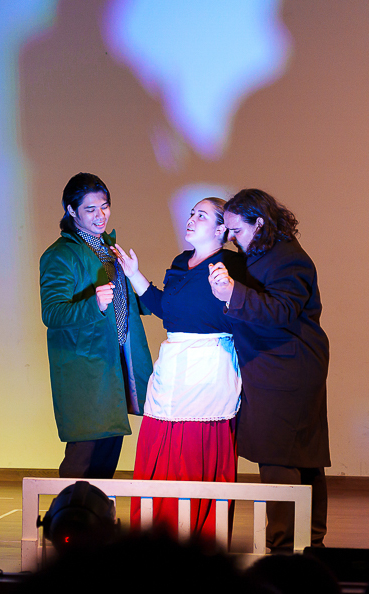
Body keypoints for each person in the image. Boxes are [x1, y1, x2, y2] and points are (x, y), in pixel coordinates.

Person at [112, 198, 245, 543]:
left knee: (194, 452)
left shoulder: (232, 264)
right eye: (191, 213)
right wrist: (133, 275)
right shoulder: (180, 262)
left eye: (201, 215)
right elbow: (166, 309)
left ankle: (198, 541)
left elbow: (242, 313)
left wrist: (228, 292)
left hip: (208, 368)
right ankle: (156, 538)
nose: (191, 219)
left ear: (221, 229)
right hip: (172, 367)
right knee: (159, 446)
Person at [208, 189, 329, 552]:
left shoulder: (288, 258)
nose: (231, 238)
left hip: (287, 367)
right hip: (283, 365)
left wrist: (232, 293)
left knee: (281, 455)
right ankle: (307, 543)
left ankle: (286, 548)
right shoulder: (267, 251)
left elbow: (281, 311)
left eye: (237, 230)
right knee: (299, 455)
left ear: (259, 223)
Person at [40, 172, 153, 478]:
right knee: (83, 459)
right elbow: (52, 313)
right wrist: (95, 303)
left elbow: (127, 303)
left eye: (104, 206)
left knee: (106, 458)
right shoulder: (60, 255)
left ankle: (94, 523)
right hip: (85, 368)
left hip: (114, 364)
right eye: (90, 209)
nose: (100, 215)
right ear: (71, 211)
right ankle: (65, 523)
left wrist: (144, 286)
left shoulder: (109, 249)